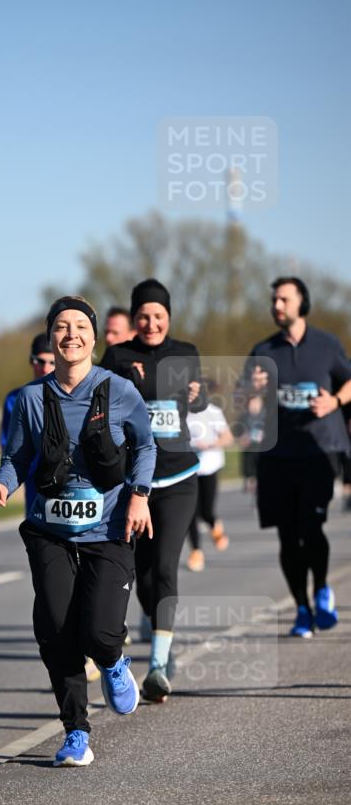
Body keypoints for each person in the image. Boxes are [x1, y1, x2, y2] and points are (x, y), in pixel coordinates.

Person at [0, 296, 156, 768]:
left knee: (98, 633)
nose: (71, 334)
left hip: (110, 525)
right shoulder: (31, 399)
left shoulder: (119, 391)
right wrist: (1, 483)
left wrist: (139, 495)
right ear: (51, 337)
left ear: (94, 337)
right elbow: (16, 458)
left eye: (80, 326)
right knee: (56, 628)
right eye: (61, 326)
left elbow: (145, 445)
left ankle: (114, 661)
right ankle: (76, 731)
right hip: (49, 529)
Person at [101, 279, 206, 703]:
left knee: (164, 565)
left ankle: (158, 665)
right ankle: (157, 627)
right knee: (141, 574)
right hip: (134, 482)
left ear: (168, 317)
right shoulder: (118, 356)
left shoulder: (186, 353)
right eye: (143, 315)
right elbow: (100, 405)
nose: (151, 323)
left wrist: (197, 396)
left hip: (179, 477)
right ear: (134, 318)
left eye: (158, 315)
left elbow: (194, 403)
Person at [247, 277, 351, 637]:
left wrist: (335, 401)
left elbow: (349, 381)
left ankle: (321, 587)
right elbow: (246, 406)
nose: (277, 305)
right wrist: (252, 392)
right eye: (274, 299)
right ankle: (302, 610)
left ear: (301, 302)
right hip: (277, 456)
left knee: (311, 526)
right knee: (287, 537)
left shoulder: (326, 344)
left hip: (319, 450)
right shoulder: (263, 350)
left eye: (284, 299)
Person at [0, 333, 55, 512]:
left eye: (52, 362)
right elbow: (9, 446)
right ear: (31, 361)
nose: (45, 368)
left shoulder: (74, 395)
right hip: (34, 484)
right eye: (40, 361)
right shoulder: (14, 399)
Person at [186, 379, 234, 572]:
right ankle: (196, 552)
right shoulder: (181, 413)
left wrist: (211, 445)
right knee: (190, 513)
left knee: (206, 511)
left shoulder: (212, 411)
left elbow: (228, 437)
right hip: (188, 470)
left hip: (209, 467)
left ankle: (215, 526)